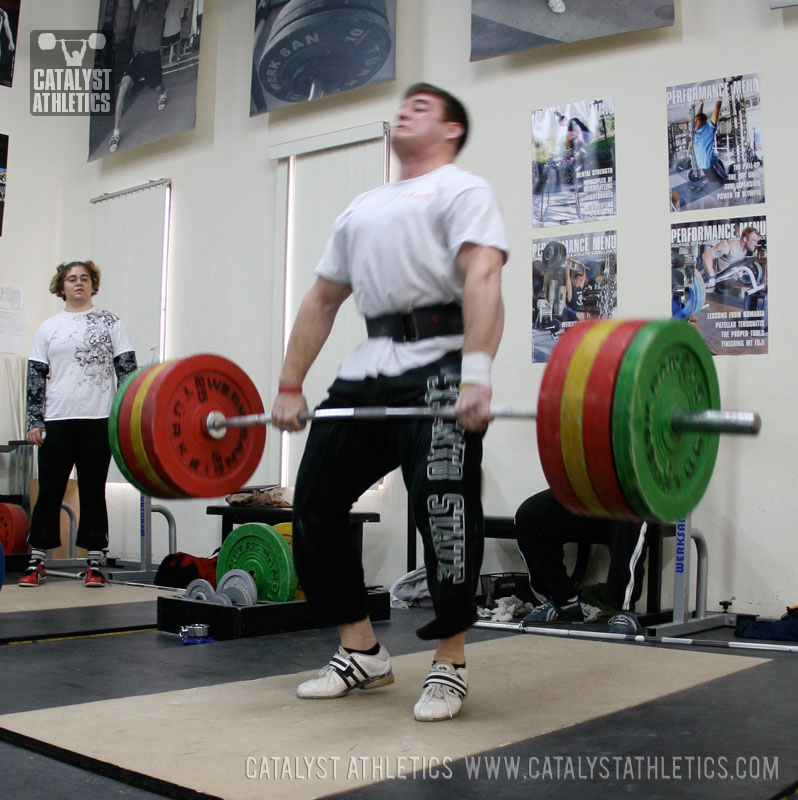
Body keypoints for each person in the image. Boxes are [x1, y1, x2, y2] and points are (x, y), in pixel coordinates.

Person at [270, 83, 508, 722]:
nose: (407, 111)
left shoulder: (464, 190)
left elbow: (484, 277)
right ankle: (361, 652)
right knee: (316, 500)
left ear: (452, 130)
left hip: (441, 363)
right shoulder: (362, 207)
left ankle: (450, 663)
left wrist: (477, 375)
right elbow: (323, 300)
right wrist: (291, 384)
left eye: (423, 107)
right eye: (403, 106)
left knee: (443, 506)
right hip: (368, 368)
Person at [19, 261, 137, 588]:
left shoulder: (111, 323)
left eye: (84, 278)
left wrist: (125, 418)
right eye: (72, 279)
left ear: (92, 285)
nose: (79, 283)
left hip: (99, 420)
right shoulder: (48, 328)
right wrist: (33, 421)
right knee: (50, 491)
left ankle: (95, 563)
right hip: (57, 419)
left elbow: (128, 372)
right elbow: (35, 378)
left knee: (93, 491)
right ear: (62, 287)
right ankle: (36, 561)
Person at [515, 489, 647, 633]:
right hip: (589, 492)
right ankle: (564, 602)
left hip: (631, 495)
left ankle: (624, 611)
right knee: (529, 515)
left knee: (628, 507)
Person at [109, 0, 168, 153]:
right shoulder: (141, 5)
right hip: (137, 58)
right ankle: (116, 132)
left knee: (157, 87)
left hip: (151, 57)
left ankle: (163, 93)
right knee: (123, 87)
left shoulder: (160, 6)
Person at [692, 100, 722, 172]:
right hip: (703, 165)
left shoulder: (709, 129)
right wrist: (702, 104)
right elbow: (699, 116)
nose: (695, 123)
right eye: (695, 121)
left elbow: (716, 110)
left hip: (709, 164)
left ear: (704, 121)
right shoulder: (697, 130)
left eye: (697, 121)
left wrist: (719, 98)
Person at [563, 257, 588, 322]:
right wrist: (568, 263)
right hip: (569, 317)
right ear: (575, 280)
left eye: (581, 280)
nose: (581, 281)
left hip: (573, 315)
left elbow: (584, 277)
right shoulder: (571, 289)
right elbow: (567, 277)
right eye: (579, 280)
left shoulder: (580, 287)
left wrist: (584, 267)